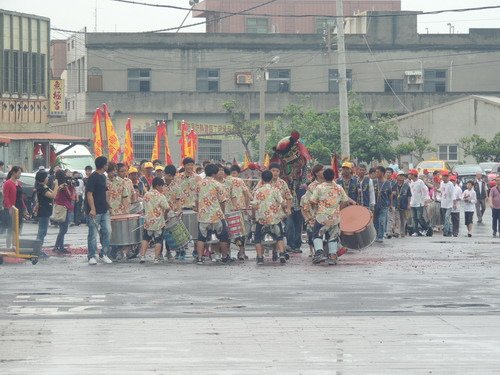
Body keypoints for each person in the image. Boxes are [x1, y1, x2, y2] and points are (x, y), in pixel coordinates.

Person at [309, 168, 349, 264]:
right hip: (335, 217)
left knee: (317, 235)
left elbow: (312, 200)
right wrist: (339, 209)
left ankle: (319, 253)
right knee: (333, 237)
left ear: (324, 176)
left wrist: (316, 208)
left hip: (322, 217)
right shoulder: (339, 187)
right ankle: (332, 256)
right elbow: (345, 201)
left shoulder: (319, 187)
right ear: (334, 176)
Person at [194, 163, 231, 265]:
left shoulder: (199, 184)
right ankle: (224, 257)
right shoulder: (218, 185)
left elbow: (196, 201)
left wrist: (199, 210)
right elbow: (223, 201)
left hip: (203, 216)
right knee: (223, 237)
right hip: (216, 215)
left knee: (201, 238)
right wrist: (222, 213)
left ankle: (200, 258)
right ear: (215, 173)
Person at [252, 170, 288, 265]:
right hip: (274, 218)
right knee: (279, 236)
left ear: (262, 179)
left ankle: (260, 257)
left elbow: (254, 205)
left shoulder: (258, 191)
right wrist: (286, 211)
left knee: (257, 238)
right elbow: (282, 203)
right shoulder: (275, 190)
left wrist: (253, 216)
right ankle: (281, 254)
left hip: (261, 219)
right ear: (271, 178)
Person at [86, 156, 113, 265]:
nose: (108, 165)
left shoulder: (103, 177)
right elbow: (89, 194)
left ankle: (103, 253)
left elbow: (105, 193)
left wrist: (109, 206)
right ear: (103, 165)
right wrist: (92, 209)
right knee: (92, 234)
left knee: (108, 231)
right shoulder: (93, 177)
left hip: (104, 210)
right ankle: (91, 256)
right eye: (106, 164)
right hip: (95, 211)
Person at [139, 177, 171, 264]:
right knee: (158, 240)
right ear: (157, 186)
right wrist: (165, 214)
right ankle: (156, 258)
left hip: (148, 221)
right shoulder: (161, 196)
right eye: (162, 186)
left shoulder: (146, 195)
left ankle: (142, 256)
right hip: (158, 222)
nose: (163, 188)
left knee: (146, 238)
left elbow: (144, 208)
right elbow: (167, 208)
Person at [226, 165, 252, 260]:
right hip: (239, 210)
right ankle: (241, 252)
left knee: (227, 232)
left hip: (226, 211)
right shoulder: (239, 181)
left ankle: (227, 253)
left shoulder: (221, 182)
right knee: (241, 232)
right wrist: (247, 207)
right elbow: (247, 195)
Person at [301, 164, 324, 257]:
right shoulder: (312, 186)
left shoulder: (330, 183)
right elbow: (306, 203)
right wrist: (308, 217)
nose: (324, 171)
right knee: (314, 235)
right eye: (321, 170)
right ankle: (316, 253)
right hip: (315, 215)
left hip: (330, 215)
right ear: (316, 173)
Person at [2, 166, 28, 248]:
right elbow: (5, 197)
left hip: (19, 207)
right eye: (19, 173)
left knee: (18, 227)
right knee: (11, 228)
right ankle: (8, 247)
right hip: (12, 208)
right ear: (13, 172)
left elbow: (20, 198)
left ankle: (15, 245)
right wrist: (10, 207)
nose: (20, 175)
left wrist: (25, 208)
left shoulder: (18, 183)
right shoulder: (7, 183)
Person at [34, 170, 58, 257]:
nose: (48, 178)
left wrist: (58, 187)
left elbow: (53, 193)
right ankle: (37, 251)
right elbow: (53, 196)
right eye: (47, 177)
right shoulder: (41, 187)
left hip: (46, 211)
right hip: (43, 212)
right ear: (43, 178)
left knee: (43, 232)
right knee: (41, 232)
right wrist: (56, 185)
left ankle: (38, 250)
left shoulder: (44, 186)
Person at [53, 170, 75, 254]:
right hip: (65, 207)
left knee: (61, 229)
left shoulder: (56, 185)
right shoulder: (64, 186)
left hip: (60, 207)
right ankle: (59, 246)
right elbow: (70, 196)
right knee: (63, 229)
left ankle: (57, 246)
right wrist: (70, 188)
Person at [408, 169, 432, 237]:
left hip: (419, 203)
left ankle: (426, 228)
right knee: (414, 218)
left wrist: (425, 200)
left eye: (410, 174)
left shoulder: (420, 182)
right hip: (413, 202)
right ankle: (416, 231)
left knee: (419, 217)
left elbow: (424, 191)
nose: (409, 175)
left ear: (414, 175)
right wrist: (409, 202)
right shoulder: (411, 182)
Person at [372, 166, 392, 243]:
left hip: (384, 205)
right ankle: (376, 235)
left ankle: (380, 236)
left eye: (378, 172)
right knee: (375, 221)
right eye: (376, 172)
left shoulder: (387, 183)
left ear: (382, 173)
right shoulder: (373, 182)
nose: (376, 173)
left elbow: (390, 194)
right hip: (375, 205)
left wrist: (390, 204)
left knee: (382, 220)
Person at [391, 172, 411, 238]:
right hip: (396, 204)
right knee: (397, 218)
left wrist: (408, 204)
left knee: (403, 219)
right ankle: (397, 232)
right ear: (397, 178)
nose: (401, 178)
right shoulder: (394, 185)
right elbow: (391, 195)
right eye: (399, 176)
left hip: (404, 205)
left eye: (402, 177)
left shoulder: (406, 186)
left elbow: (409, 196)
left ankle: (402, 232)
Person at [439, 171, 454, 237]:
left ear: (448, 177)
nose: (444, 178)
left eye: (446, 176)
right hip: (443, 203)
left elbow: (452, 194)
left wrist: (454, 203)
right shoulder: (441, 183)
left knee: (447, 217)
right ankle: (450, 231)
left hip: (449, 204)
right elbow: (442, 191)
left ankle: (445, 231)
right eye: (443, 176)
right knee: (447, 219)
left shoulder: (450, 184)